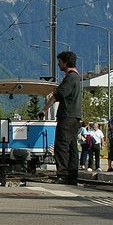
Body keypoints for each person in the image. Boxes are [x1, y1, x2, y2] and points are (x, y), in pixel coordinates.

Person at [43, 51, 83, 185]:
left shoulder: (70, 78)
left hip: (67, 116)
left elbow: (59, 95)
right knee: (72, 147)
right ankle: (72, 176)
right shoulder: (76, 77)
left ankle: (63, 175)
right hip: (75, 117)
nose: (58, 64)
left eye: (60, 61)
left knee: (61, 146)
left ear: (65, 62)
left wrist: (43, 110)